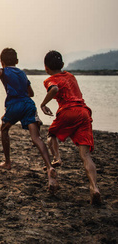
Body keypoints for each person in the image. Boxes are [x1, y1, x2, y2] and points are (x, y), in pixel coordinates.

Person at [0, 48, 58, 192]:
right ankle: (49, 166)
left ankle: (7, 162)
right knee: (36, 138)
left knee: (4, 129)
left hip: (15, 104)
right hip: (28, 104)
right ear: (17, 61)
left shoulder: (3, 71)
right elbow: (31, 93)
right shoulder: (22, 73)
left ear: (2, 62)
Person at [40, 50, 101, 204]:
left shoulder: (50, 79)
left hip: (68, 111)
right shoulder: (71, 76)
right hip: (84, 112)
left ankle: (57, 158)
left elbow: (54, 89)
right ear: (62, 65)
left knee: (51, 135)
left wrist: (43, 103)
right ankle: (94, 188)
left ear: (46, 67)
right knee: (85, 155)